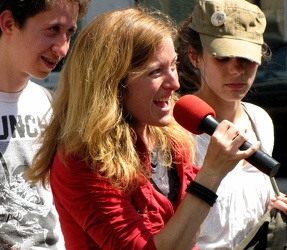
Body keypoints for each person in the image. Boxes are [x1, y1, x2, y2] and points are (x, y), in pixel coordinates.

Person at [25, 6, 262, 249]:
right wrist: (210, 173)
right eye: (156, 71)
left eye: (173, 65)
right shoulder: (81, 161)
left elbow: (191, 233)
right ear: (112, 83)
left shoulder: (172, 138)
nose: (174, 83)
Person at [175, 0, 287, 249]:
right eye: (222, 57)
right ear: (195, 56)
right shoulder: (174, 129)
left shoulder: (260, 120)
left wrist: (278, 217)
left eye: (247, 57)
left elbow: (242, 213)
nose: (237, 69)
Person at [0, 0, 90, 249]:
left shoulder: (50, 104)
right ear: (9, 23)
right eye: (53, 29)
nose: (62, 48)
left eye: (70, 32)